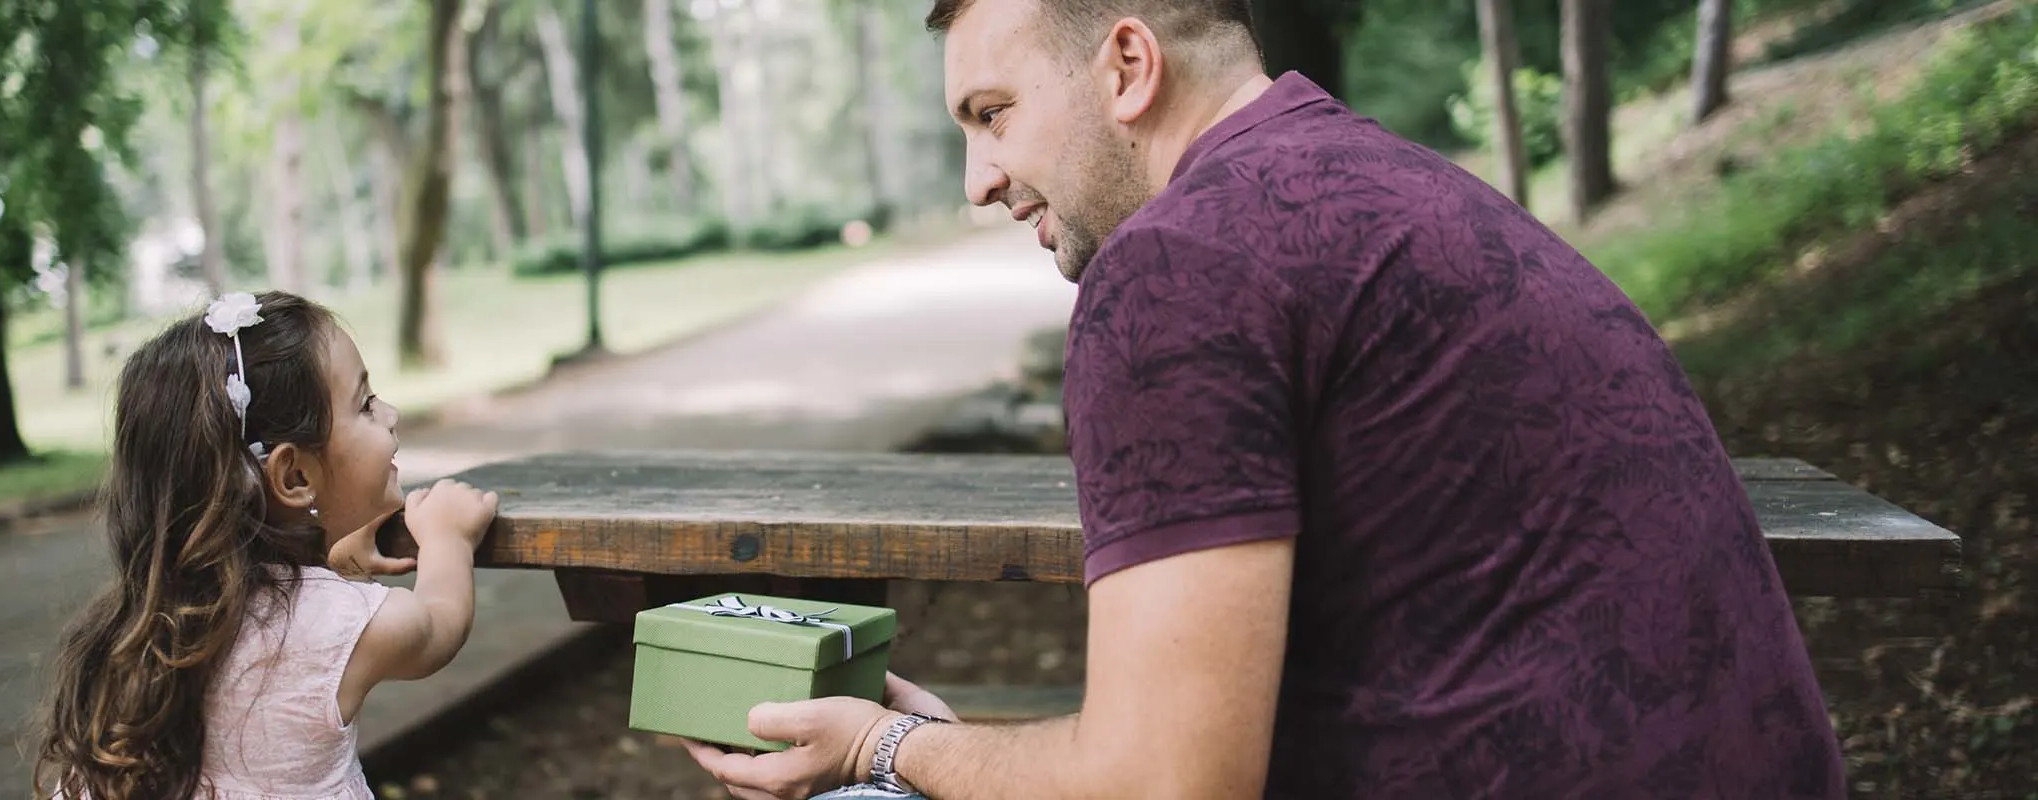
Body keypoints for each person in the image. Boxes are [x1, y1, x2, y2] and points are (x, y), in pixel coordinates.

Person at [683, 0, 1846, 797]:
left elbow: (1164, 783)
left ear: (1127, 67)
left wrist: (893, 745)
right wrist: (968, 751)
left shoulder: (1175, 265)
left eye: (993, 114)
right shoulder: (1390, 183)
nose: (980, 179)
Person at [32, 291, 499, 799]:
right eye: (365, 405)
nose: (390, 413)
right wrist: (448, 539)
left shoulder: (141, 629)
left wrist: (338, 562)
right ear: (294, 475)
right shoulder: (337, 623)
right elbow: (436, 627)